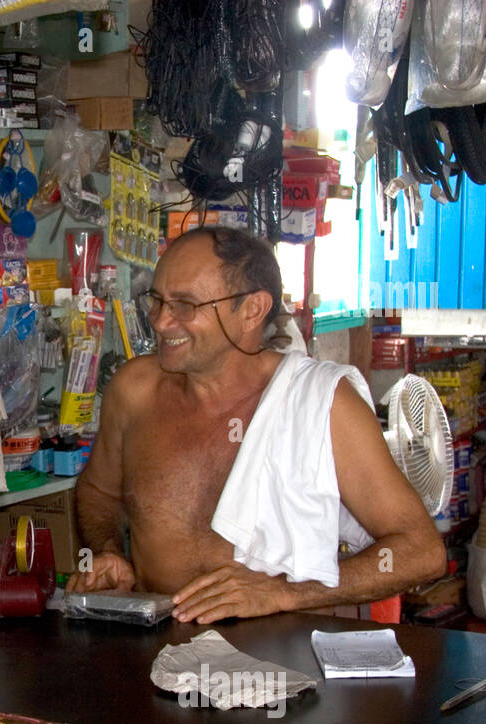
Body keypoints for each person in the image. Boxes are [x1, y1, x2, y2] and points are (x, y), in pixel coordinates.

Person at [68, 226, 446, 623]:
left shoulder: (324, 404)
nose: (161, 322)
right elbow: (97, 492)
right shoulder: (135, 391)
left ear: (252, 309)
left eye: (185, 305)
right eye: (157, 300)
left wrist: (282, 593)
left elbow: (421, 551)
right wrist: (107, 551)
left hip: (281, 661)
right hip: (159, 647)